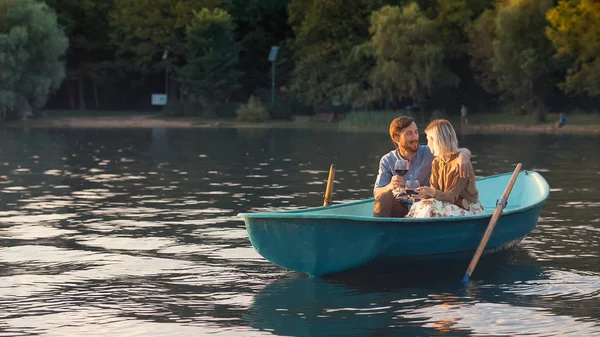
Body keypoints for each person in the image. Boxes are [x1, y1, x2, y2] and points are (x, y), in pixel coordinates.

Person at [373, 116, 472, 218]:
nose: (415, 137)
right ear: (396, 138)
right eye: (409, 133)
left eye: (416, 132)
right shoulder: (387, 160)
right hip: (399, 207)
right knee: (383, 197)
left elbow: (453, 151)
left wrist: (464, 155)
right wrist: (390, 186)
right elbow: (377, 193)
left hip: (424, 207)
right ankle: (380, 232)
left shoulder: (430, 151)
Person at [407, 119, 484, 218]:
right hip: (446, 204)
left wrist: (432, 192)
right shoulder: (437, 162)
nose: (428, 144)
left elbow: (452, 196)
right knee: (418, 205)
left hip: (468, 208)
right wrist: (422, 193)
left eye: (430, 139)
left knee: (432, 208)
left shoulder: (461, 163)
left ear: (440, 140)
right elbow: (435, 191)